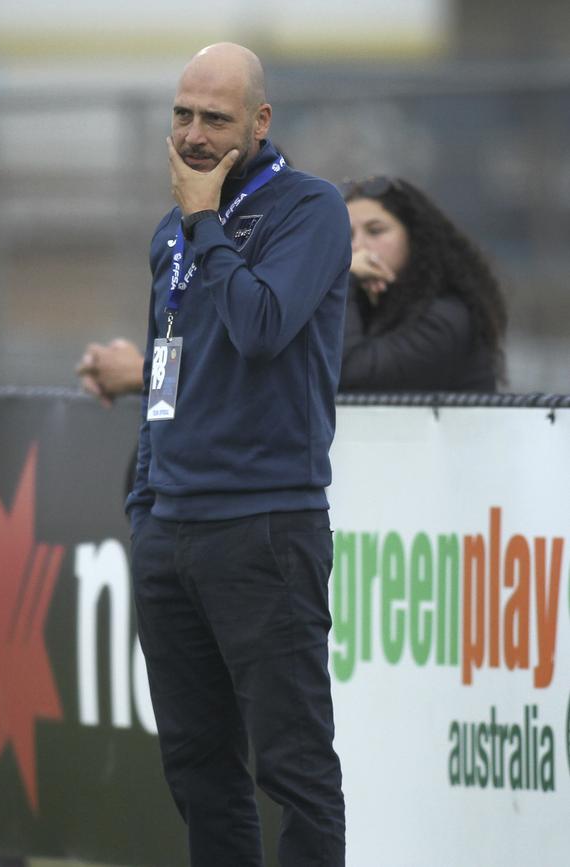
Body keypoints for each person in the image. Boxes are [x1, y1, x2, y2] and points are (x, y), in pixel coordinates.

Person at [126, 42, 350, 867]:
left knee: (293, 770)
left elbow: (260, 327)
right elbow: (164, 366)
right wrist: (144, 501)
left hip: (264, 527)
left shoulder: (309, 208)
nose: (192, 135)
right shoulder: (172, 233)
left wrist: (203, 222)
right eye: (182, 114)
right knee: (196, 766)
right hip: (172, 527)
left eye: (214, 119)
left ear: (258, 122)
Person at [339, 175, 507, 391]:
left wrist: (343, 280)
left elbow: (349, 373)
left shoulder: (446, 318)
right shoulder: (363, 309)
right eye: (348, 235)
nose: (358, 247)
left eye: (375, 231)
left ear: (414, 236)